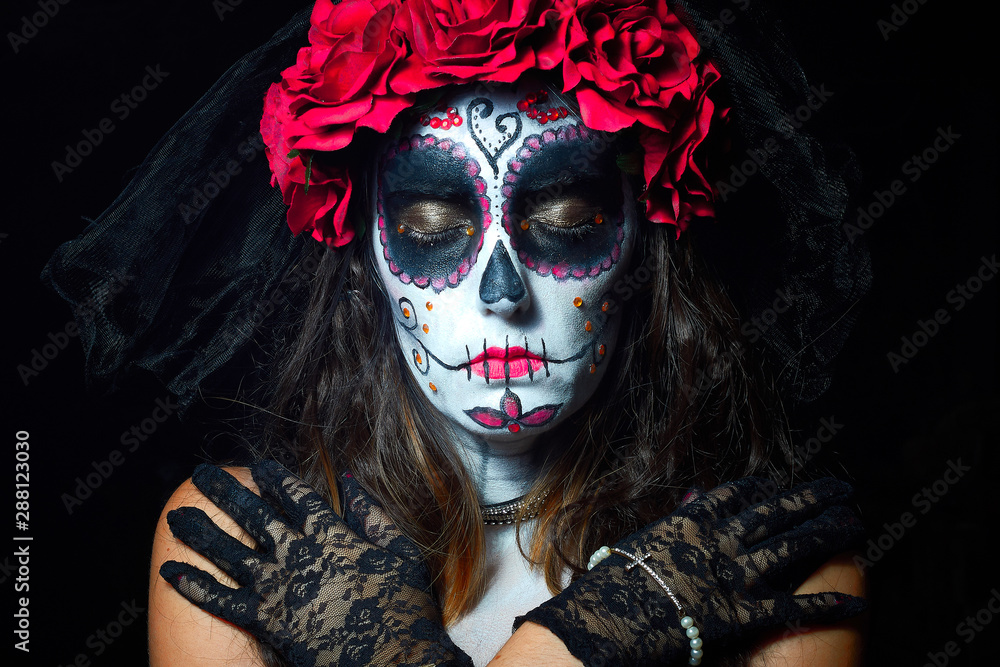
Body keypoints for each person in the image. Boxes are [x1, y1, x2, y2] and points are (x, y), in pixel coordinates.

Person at [43, 1, 871, 665]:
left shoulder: (771, 566)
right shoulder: (241, 540)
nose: (502, 291)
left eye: (567, 218)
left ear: (644, 257)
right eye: (434, 224)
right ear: (367, 254)